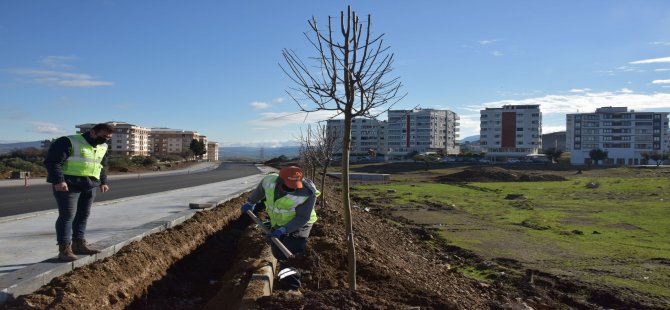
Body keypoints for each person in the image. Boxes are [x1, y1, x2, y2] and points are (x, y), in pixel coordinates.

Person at [241, 166, 319, 290]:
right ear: (280, 180)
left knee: (290, 251)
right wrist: (251, 202)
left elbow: (302, 217)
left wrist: (284, 230)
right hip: (278, 221)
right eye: (289, 185)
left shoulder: (308, 192)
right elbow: (261, 190)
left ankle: (291, 288)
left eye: (295, 185)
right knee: (277, 252)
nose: (293, 188)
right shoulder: (270, 181)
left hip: (301, 223)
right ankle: (294, 271)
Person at [44, 123, 114, 261]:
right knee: (67, 216)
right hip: (69, 184)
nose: (106, 140)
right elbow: (52, 162)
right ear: (93, 132)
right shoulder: (68, 141)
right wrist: (59, 180)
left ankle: (79, 243)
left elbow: (101, 165)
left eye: (109, 138)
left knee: (83, 215)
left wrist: (103, 182)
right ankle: (64, 249)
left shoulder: (103, 146)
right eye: (104, 136)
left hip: (90, 184)